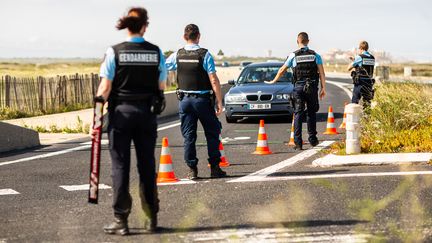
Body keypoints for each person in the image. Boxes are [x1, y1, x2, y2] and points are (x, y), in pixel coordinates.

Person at [93, 7, 167, 235]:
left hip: (120, 115)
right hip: (146, 114)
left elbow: (104, 89)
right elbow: (161, 87)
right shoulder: (156, 52)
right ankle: (151, 218)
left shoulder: (114, 52)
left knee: (120, 167)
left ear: (127, 25)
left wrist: (96, 120)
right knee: (146, 166)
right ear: (145, 25)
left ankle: (121, 220)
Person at [165, 24, 227, 179]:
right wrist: (219, 101)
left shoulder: (177, 54)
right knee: (212, 133)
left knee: (188, 136)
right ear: (199, 36)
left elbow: (163, 67)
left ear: (184, 37)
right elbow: (213, 79)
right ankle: (214, 168)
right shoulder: (205, 55)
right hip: (203, 101)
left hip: (184, 101)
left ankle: (192, 169)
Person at [265, 32, 326, 150]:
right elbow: (322, 73)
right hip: (312, 87)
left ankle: (298, 143)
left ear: (297, 41)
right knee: (311, 113)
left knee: (298, 113)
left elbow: (282, 69)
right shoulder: (315, 55)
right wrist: (323, 88)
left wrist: (273, 81)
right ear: (308, 41)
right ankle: (313, 139)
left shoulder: (293, 55)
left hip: (298, 87)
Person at [348, 41, 375, 109]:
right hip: (369, 82)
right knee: (367, 102)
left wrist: (354, 61)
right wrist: (355, 60)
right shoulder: (372, 57)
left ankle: (354, 118)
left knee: (354, 102)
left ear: (361, 48)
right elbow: (365, 64)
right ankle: (367, 118)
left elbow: (349, 68)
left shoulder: (359, 57)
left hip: (360, 82)